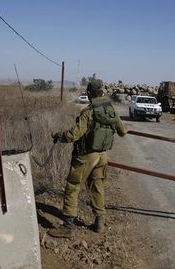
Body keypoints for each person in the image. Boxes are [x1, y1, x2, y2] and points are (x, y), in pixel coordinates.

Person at [48, 80, 127, 238]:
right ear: (102, 92)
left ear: (89, 93)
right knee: (97, 186)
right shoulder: (110, 109)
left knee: (73, 186)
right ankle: (99, 223)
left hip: (87, 157)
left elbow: (74, 134)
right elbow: (122, 131)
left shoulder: (88, 111)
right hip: (103, 156)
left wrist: (59, 135)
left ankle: (68, 227)